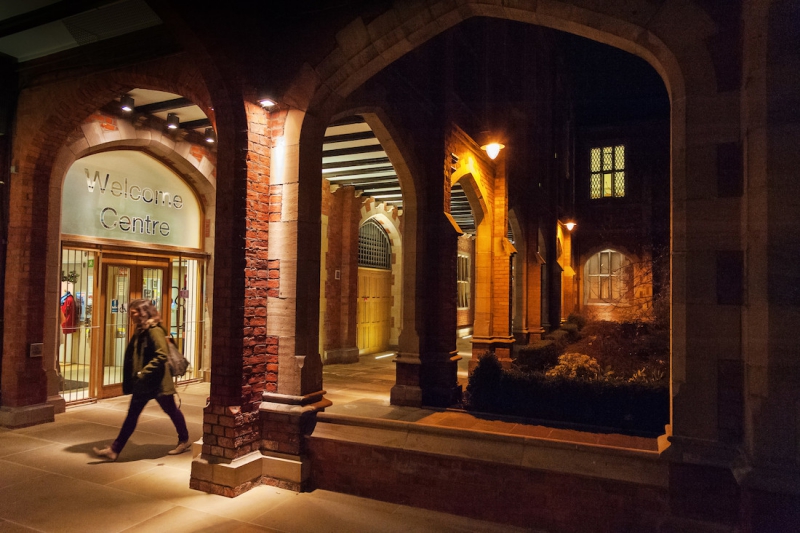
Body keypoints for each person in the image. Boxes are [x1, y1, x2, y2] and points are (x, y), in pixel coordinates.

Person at [94, 299, 190, 461]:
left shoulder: (154, 330)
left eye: (134, 312)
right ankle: (114, 449)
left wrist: (142, 373)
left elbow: (161, 354)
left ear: (143, 313)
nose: (131, 315)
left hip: (157, 382)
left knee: (171, 410)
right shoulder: (141, 329)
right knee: (133, 415)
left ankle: (184, 439)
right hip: (146, 383)